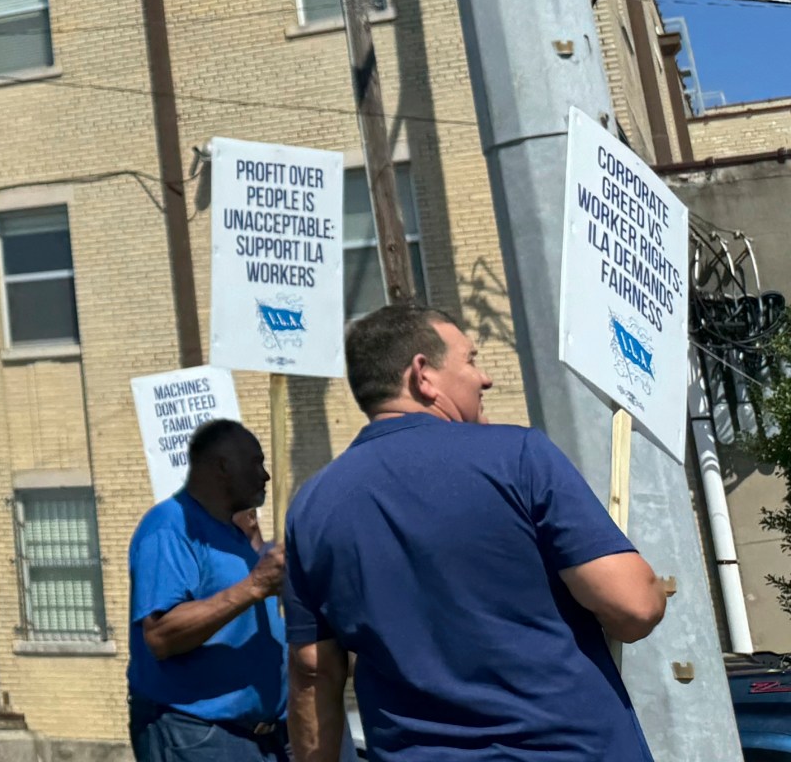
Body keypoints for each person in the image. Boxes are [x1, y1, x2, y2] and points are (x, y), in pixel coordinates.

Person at [284, 305, 669, 762]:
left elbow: (313, 674)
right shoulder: (519, 456)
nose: (484, 378)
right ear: (422, 375)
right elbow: (634, 606)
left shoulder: (311, 507)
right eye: (469, 360)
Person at [126, 419, 286, 760]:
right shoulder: (169, 527)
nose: (265, 475)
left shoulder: (231, 532)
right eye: (256, 463)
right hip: (196, 733)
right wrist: (256, 584)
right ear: (223, 467)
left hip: (255, 736)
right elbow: (161, 635)